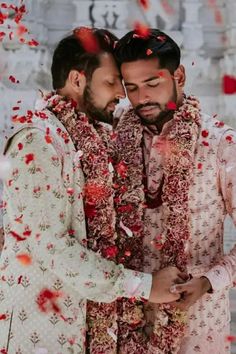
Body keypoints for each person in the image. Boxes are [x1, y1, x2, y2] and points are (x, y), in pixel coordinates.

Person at [0, 27, 183, 354]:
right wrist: (144, 286)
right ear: (77, 80)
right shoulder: (37, 141)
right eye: (111, 82)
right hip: (39, 333)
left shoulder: (86, 144)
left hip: (80, 326)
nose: (121, 95)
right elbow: (52, 246)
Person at [114, 28, 236, 354]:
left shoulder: (220, 144)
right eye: (132, 88)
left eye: (152, 84)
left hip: (199, 324)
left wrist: (211, 282)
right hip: (126, 322)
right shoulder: (115, 139)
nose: (142, 98)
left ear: (178, 75)